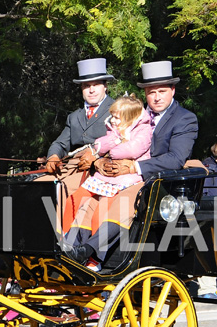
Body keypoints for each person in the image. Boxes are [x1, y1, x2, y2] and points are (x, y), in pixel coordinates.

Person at [64, 60, 198, 264]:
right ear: (145, 94)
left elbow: (176, 158)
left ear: (172, 90)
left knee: (126, 198)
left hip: (158, 182)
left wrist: (134, 166)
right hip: (121, 176)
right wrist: (99, 161)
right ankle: (70, 247)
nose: (156, 97)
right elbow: (112, 140)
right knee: (88, 200)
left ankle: (91, 251)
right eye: (151, 92)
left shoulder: (185, 119)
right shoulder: (134, 113)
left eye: (162, 91)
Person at [62, 95, 152, 269]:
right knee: (76, 197)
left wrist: (114, 149)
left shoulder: (143, 130)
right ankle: (64, 237)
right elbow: (100, 144)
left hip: (125, 179)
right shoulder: (114, 130)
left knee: (101, 211)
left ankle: (94, 258)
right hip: (107, 176)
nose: (113, 119)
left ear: (128, 118)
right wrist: (104, 146)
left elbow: (133, 149)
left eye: (117, 116)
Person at [44, 58, 116, 176]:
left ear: (105, 86)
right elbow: (60, 144)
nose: (91, 90)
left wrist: (97, 156)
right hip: (75, 168)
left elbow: (123, 142)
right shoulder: (74, 117)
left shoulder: (118, 110)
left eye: (96, 84)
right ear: (81, 88)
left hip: (105, 169)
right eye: (87, 86)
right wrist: (53, 156)